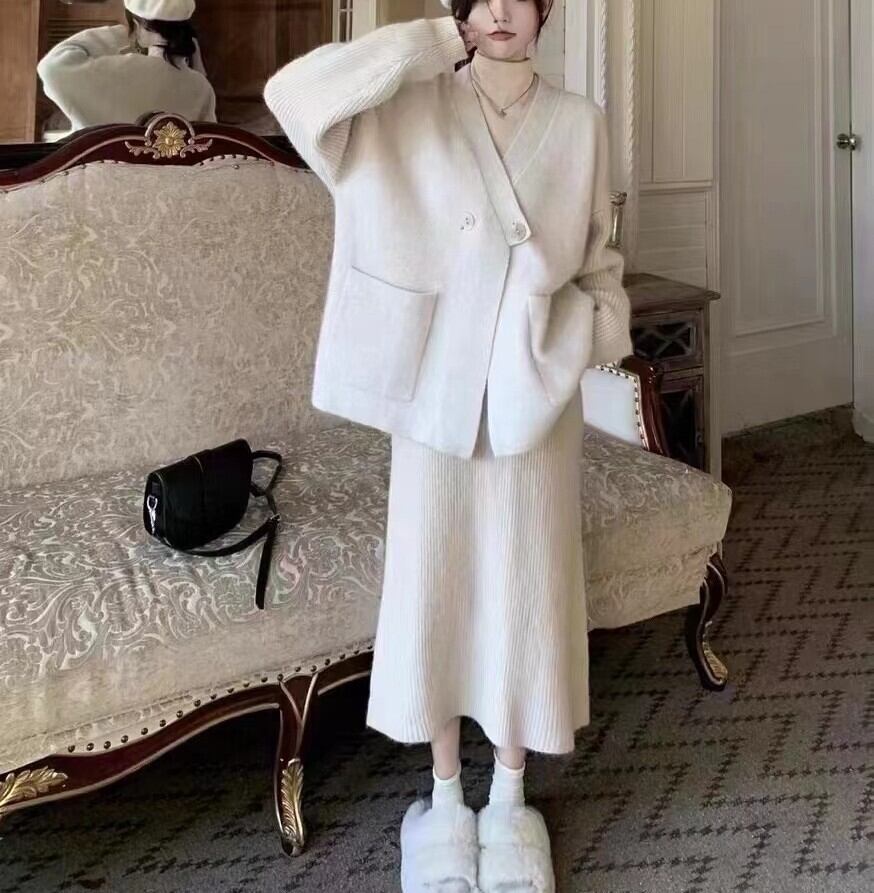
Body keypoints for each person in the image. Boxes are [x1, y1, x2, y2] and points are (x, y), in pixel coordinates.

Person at [264, 1, 633, 890]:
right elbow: (293, 96)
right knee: (435, 591)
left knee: (528, 591)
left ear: (547, 9)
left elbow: (600, 264)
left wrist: (576, 335)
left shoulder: (580, 124)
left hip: (534, 402)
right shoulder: (407, 106)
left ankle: (509, 798)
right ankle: (443, 800)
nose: (500, 12)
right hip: (434, 398)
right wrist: (433, 41)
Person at [37, 0, 216, 134]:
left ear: (136, 24)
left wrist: (116, 34)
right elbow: (208, 144)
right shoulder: (201, 87)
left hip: (102, 171)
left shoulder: (109, 72)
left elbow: (51, 67)